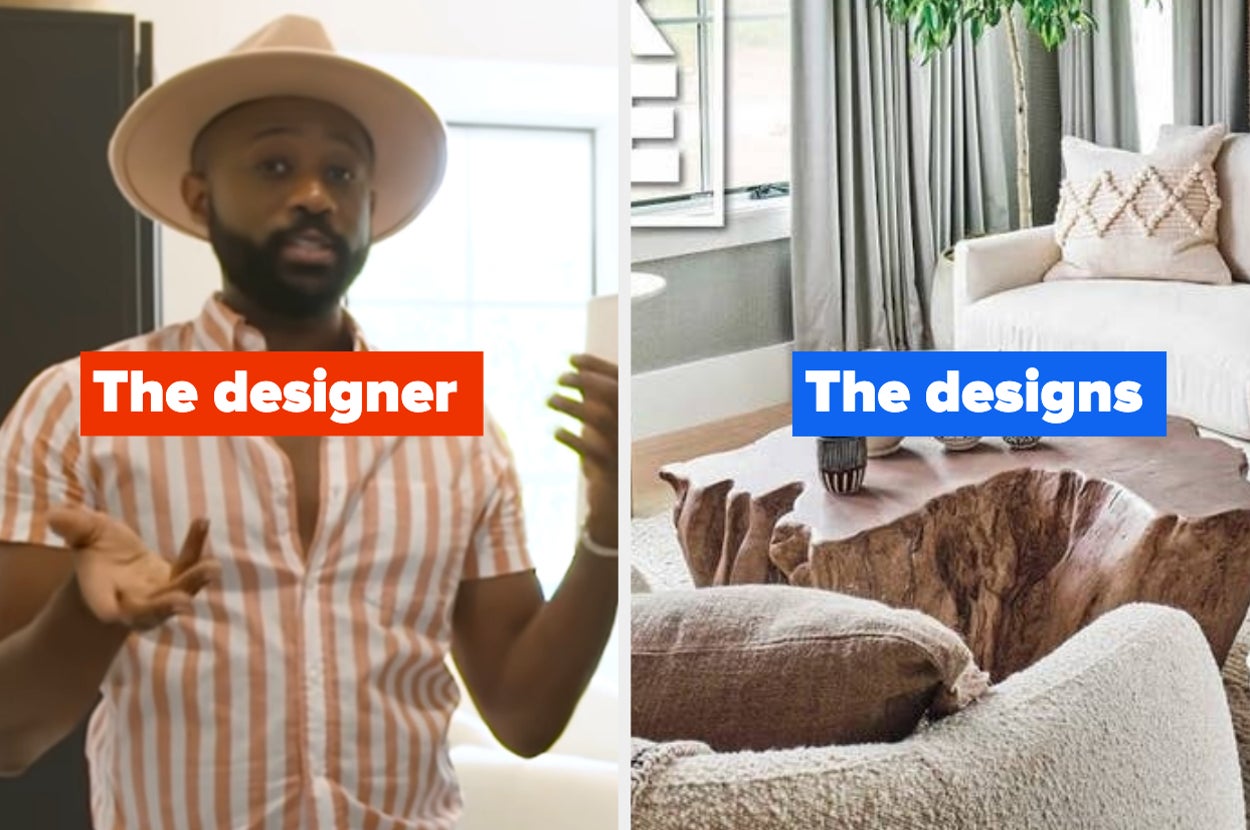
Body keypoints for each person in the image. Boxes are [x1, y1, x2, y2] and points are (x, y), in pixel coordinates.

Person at [0, 15, 618, 830]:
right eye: (275, 164)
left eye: (342, 171)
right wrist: (85, 619)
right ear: (199, 195)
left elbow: (525, 717)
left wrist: (605, 532)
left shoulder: (452, 422)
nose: (315, 195)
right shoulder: (80, 406)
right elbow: (8, 735)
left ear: (371, 202)